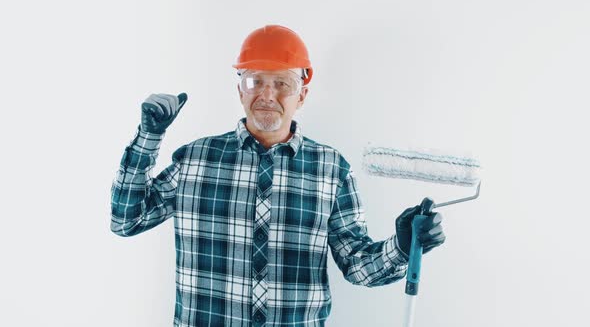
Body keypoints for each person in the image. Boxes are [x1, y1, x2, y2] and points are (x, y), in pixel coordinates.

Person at [110, 24, 445, 327]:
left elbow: (358, 266)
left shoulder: (332, 170)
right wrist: (149, 135)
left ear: (302, 95)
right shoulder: (195, 161)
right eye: (255, 81)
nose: (267, 95)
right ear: (240, 90)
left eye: (282, 83)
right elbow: (126, 220)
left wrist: (402, 246)